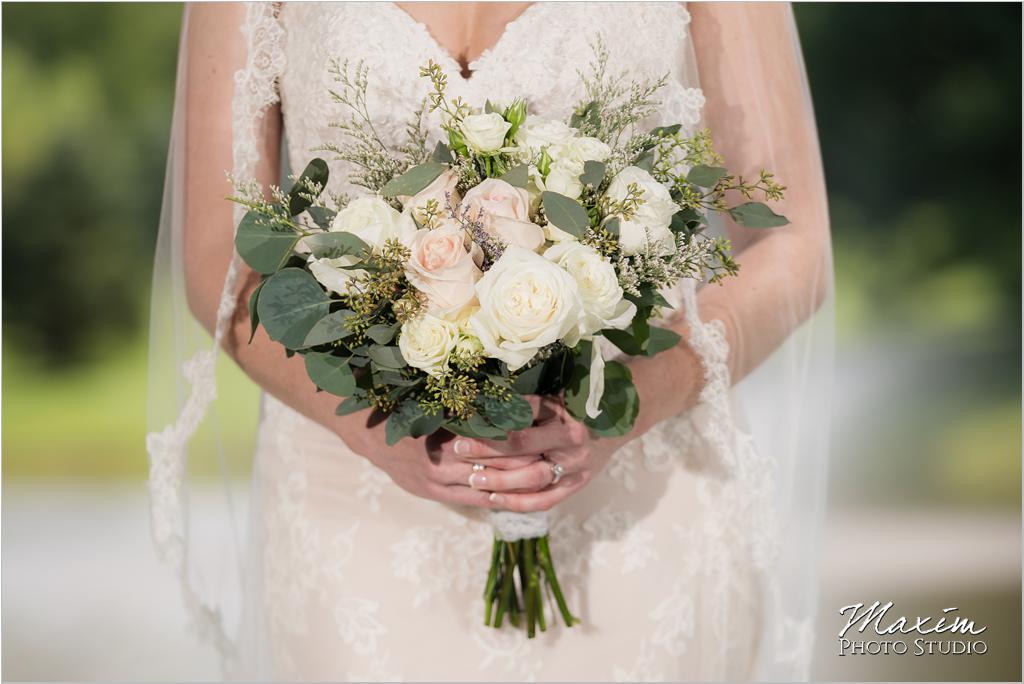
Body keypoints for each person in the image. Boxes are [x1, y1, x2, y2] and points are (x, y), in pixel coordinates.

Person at [147, 2, 833, 680]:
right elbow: (221, 264)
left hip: (644, 499)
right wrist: (370, 424)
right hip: (355, 508)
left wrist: (630, 408)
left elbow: (790, 242)